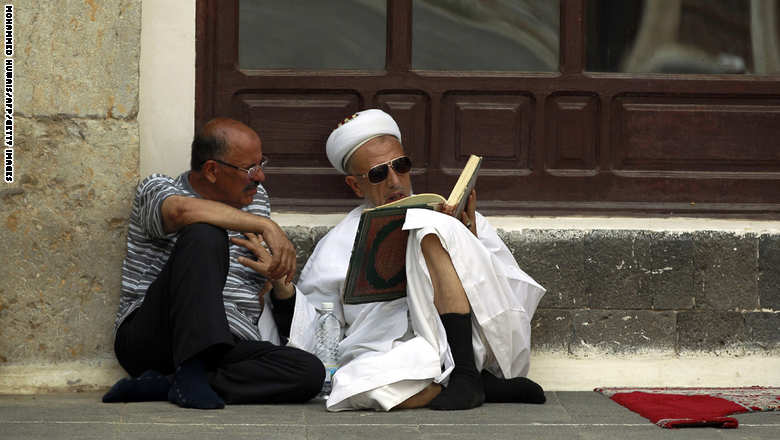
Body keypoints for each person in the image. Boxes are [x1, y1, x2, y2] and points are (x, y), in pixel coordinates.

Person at [285, 109, 547, 411]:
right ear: (356, 186)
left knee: (430, 226)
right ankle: (476, 385)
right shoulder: (336, 245)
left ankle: (463, 370)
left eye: (401, 166)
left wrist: (468, 240)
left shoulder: (449, 215)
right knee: (349, 387)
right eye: (378, 174)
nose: (395, 181)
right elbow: (319, 323)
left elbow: (505, 291)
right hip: (394, 353)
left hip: (470, 345)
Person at [103, 118, 324, 409]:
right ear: (211, 170)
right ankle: (190, 370)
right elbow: (180, 211)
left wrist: (277, 278)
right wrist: (267, 226)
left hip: (227, 341)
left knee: (309, 373)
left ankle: (171, 383)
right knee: (205, 233)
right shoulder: (158, 188)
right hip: (154, 336)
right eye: (250, 169)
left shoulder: (256, 200)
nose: (261, 177)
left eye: (262, 164)